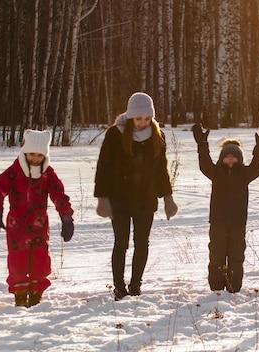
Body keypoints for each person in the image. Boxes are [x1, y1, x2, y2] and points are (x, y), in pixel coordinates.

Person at [94, 92, 178, 301]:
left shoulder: (157, 136)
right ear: (130, 116)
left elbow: (161, 170)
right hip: (119, 199)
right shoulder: (115, 134)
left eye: (147, 118)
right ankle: (119, 286)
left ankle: (135, 284)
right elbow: (103, 167)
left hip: (146, 199)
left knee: (142, 243)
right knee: (121, 243)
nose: (143, 123)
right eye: (139, 118)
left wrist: (167, 197)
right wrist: (102, 198)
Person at [0, 129, 75, 307]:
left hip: (39, 225)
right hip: (16, 225)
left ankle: (36, 294)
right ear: (24, 152)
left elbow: (59, 195)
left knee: (40, 260)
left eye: (39, 155)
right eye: (31, 154)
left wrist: (66, 217)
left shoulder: (48, 174)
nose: (35, 159)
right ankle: (20, 295)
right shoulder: (14, 172)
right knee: (17, 260)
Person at [193, 123, 259, 293]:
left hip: (238, 222)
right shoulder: (215, 173)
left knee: (236, 255)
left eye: (233, 156)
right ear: (221, 158)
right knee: (216, 254)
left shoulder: (244, 174)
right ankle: (217, 288)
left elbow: (257, 166)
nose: (230, 159)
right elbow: (204, 164)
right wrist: (202, 145)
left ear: (240, 158)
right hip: (218, 221)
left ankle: (234, 287)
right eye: (226, 156)